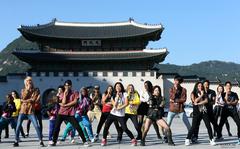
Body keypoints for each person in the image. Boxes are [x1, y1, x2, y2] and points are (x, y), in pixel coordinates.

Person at [49, 80, 90, 147]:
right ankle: (54, 141)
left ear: (71, 86)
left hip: (70, 113)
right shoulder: (62, 93)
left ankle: (84, 141)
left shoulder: (75, 92)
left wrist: (66, 105)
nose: (67, 86)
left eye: (68, 85)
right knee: (56, 127)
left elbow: (75, 102)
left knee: (77, 126)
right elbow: (63, 102)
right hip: (61, 113)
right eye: (65, 85)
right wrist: (65, 94)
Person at [101, 82, 137, 146]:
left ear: (121, 87)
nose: (118, 87)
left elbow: (126, 103)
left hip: (121, 115)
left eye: (119, 86)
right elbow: (114, 105)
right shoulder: (113, 95)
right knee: (106, 126)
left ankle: (133, 139)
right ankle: (104, 139)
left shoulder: (125, 94)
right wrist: (117, 97)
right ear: (115, 87)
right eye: (116, 86)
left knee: (124, 128)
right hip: (113, 113)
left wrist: (120, 107)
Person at [13, 77, 44, 147]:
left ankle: (41, 141)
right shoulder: (23, 90)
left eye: (30, 80)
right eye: (27, 81)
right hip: (23, 111)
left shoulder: (36, 90)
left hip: (31, 111)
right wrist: (27, 90)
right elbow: (23, 98)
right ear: (25, 83)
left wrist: (25, 100)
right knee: (18, 126)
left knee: (36, 125)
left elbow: (34, 100)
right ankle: (16, 141)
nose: (29, 82)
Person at [185, 82, 216, 146]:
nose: (200, 87)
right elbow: (194, 101)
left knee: (208, 126)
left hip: (204, 111)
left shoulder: (204, 93)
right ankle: (187, 139)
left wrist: (199, 103)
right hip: (196, 112)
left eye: (201, 86)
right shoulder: (193, 93)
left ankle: (211, 139)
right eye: (199, 86)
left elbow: (206, 101)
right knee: (194, 126)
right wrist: (201, 96)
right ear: (196, 86)